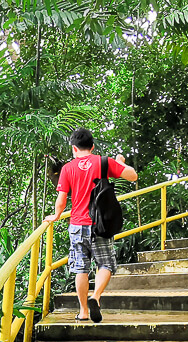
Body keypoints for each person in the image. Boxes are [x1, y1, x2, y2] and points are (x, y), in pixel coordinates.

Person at [44, 128, 138, 323]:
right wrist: (120, 164)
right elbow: (132, 176)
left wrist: (56, 215)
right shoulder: (104, 162)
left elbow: (61, 200)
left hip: (77, 225)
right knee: (106, 264)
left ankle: (83, 312)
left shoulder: (67, 169)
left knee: (81, 269)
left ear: (73, 148)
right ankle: (95, 296)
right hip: (100, 224)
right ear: (92, 146)